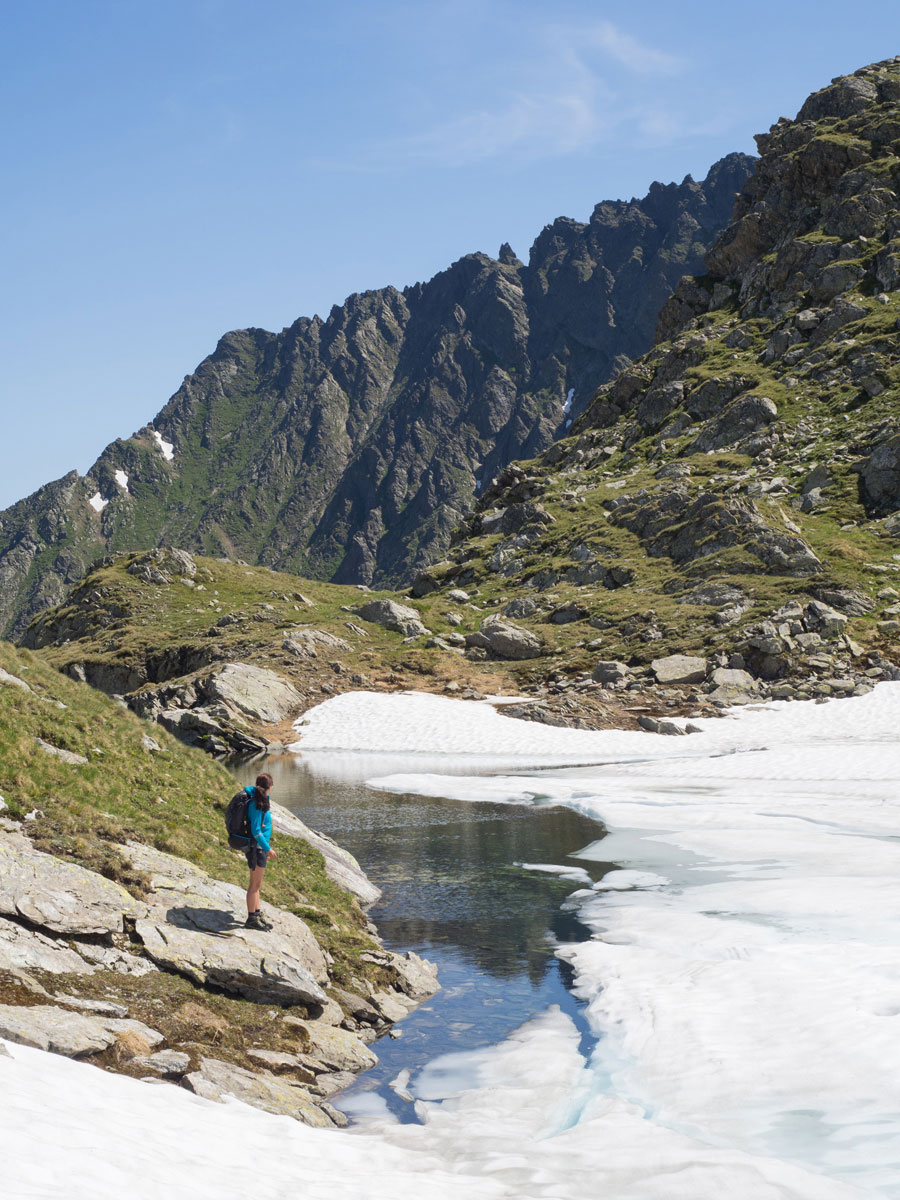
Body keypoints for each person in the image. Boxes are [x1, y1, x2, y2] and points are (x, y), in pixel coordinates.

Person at [245, 772, 278, 930]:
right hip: (256, 849)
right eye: (272, 785)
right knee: (254, 885)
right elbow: (256, 830)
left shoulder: (261, 801)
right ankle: (251, 919)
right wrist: (268, 849)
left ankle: (257, 914)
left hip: (258, 848)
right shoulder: (257, 804)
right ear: (269, 787)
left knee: (257, 885)